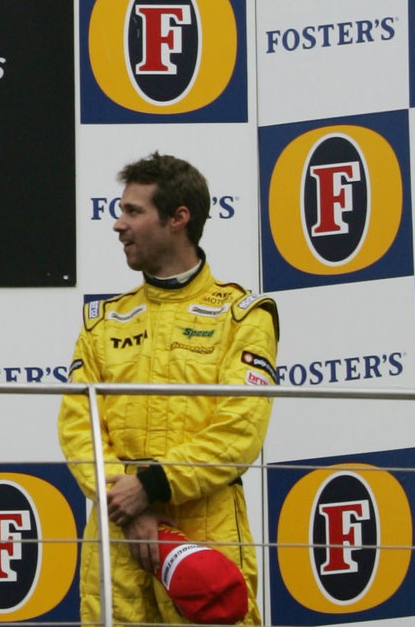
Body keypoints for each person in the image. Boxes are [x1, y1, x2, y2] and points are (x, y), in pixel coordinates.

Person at [57, 153, 279, 626]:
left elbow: (240, 433)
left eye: (133, 211)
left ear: (179, 218)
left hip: (207, 528)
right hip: (118, 535)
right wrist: (128, 504)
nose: (118, 224)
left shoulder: (243, 314)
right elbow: (80, 431)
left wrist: (150, 487)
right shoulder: (102, 321)